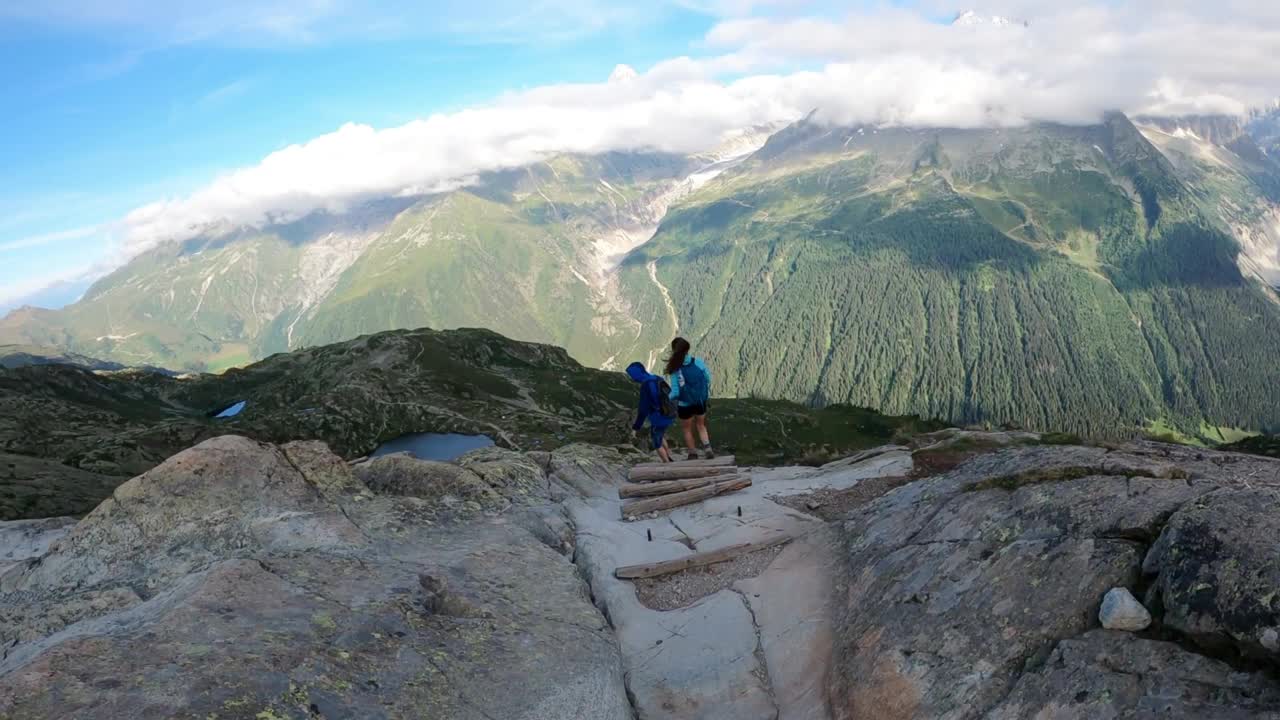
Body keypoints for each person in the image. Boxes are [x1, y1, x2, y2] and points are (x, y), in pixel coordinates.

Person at [665, 337, 714, 460]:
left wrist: (666, 398)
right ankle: (708, 449)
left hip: (684, 404)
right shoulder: (698, 362)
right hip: (699, 401)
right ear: (687, 349)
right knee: (701, 425)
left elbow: (675, 392)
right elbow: (708, 378)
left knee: (687, 429)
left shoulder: (675, 369)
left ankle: (693, 454)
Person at [626, 361, 675, 463]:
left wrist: (636, 427)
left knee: (656, 441)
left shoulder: (645, 386)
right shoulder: (657, 378)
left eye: (632, 375)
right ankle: (669, 456)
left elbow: (643, 410)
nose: (632, 378)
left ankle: (667, 463)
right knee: (660, 435)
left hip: (659, 416)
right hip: (669, 412)